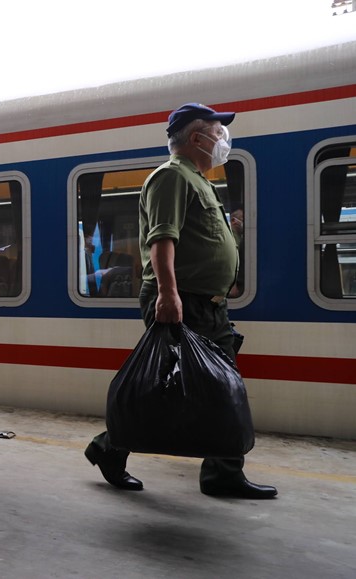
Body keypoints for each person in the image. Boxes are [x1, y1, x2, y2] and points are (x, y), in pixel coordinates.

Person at [84, 104, 277, 499]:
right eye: (218, 132)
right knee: (185, 387)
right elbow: (162, 239)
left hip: (206, 301)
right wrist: (169, 294)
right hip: (182, 299)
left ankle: (115, 449)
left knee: (193, 387)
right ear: (196, 138)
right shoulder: (171, 177)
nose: (223, 140)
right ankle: (216, 471)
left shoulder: (199, 180)